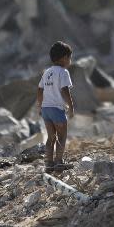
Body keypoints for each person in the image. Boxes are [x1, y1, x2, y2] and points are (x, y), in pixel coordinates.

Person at [36, 41, 75, 173]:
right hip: (57, 109)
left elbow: (40, 89)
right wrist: (71, 106)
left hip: (46, 110)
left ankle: (48, 163)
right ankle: (58, 162)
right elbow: (65, 90)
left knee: (51, 137)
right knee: (62, 137)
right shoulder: (63, 72)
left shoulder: (47, 72)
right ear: (64, 57)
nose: (70, 60)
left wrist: (39, 107)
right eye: (70, 57)